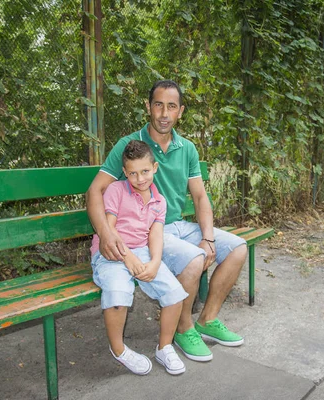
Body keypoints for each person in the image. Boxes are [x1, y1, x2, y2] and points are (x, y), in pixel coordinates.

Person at [86, 80, 248, 362]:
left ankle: (207, 320)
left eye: (171, 106)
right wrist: (105, 232)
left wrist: (208, 237)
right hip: (151, 229)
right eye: (158, 105)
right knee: (194, 259)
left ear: (180, 111)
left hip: (180, 226)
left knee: (238, 248)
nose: (164, 113)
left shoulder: (187, 148)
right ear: (148, 107)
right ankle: (183, 329)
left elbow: (199, 197)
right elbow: (95, 191)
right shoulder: (130, 145)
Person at [89, 139, 189, 375]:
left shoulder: (159, 201)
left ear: (154, 168)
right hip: (111, 251)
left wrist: (155, 261)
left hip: (142, 251)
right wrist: (127, 258)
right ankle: (119, 349)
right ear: (124, 172)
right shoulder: (116, 190)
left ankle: (164, 347)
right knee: (118, 294)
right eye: (133, 173)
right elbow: (109, 231)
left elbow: (155, 234)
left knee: (175, 293)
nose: (140, 179)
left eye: (145, 171)